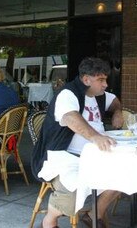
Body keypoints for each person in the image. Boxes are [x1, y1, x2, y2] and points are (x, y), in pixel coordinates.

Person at [31, 57, 124, 228]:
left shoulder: (100, 95)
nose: (105, 84)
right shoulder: (68, 93)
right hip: (64, 156)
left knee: (124, 174)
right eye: (101, 80)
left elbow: (115, 101)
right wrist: (95, 137)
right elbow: (70, 117)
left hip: (95, 155)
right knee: (74, 191)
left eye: (106, 79)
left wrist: (118, 111)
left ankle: (93, 215)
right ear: (86, 79)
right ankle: (48, 221)